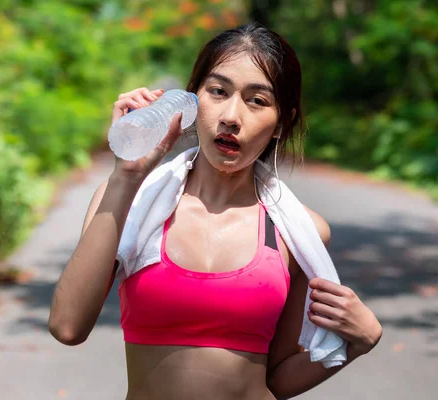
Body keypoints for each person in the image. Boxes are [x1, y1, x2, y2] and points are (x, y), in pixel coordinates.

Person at [48, 23, 382, 400]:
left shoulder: (297, 230)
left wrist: (358, 342)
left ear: (281, 123)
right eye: (218, 91)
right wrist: (126, 176)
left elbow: (278, 378)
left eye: (257, 100)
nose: (231, 116)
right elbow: (67, 326)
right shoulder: (127, 201)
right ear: (191, 101)